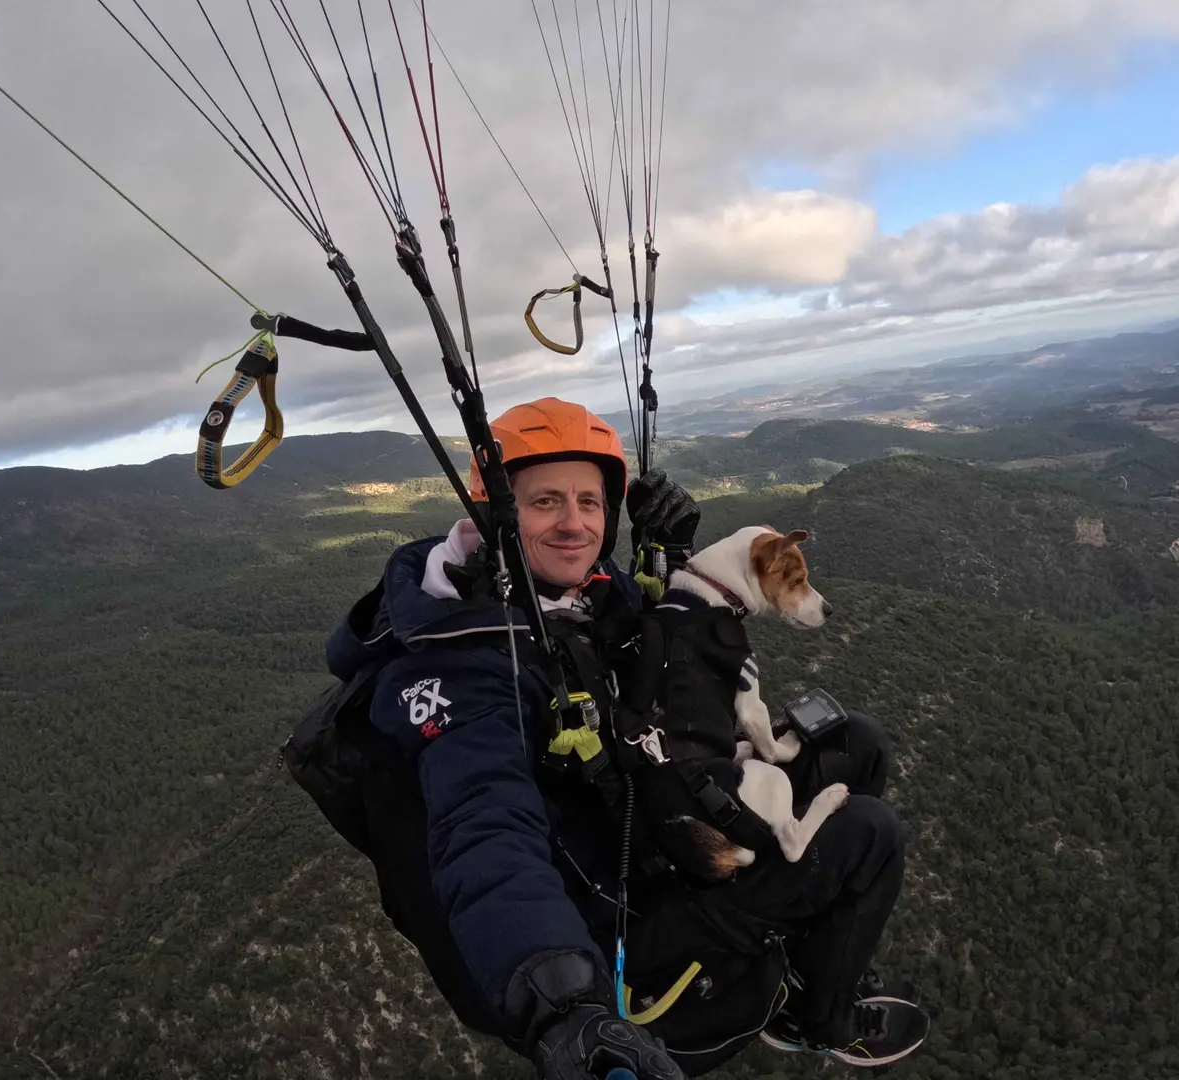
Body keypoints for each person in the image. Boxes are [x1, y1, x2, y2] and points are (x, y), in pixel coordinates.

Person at [321, 398, 927, 1077]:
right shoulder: (458, 664)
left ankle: (814, 954)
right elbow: (483, 826)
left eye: (589, 501)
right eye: (544, 501)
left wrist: (677, 563)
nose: (574, 522)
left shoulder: (584, 589)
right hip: (616, 912)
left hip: (657, 812)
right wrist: (561, 998)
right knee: (868, 834)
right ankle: (818, 1019)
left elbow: (660, 663)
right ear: (496, 512)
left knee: (858, 745)